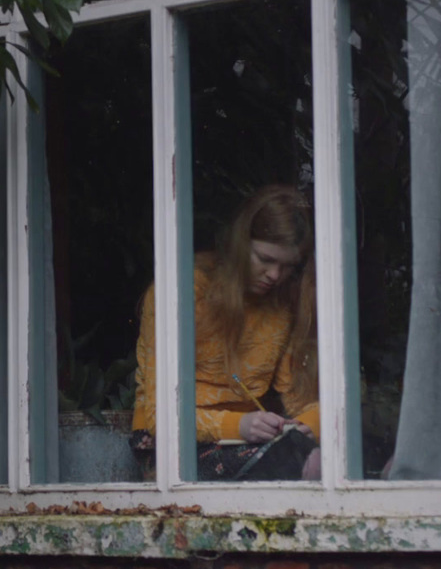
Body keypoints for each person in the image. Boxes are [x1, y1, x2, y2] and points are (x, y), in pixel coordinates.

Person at [130, 185, 321, 481]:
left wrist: (306, 424)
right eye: (265, 259)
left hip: (251, 438)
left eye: (287, 266)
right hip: (171, 440)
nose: (275, 275)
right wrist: (239, 426)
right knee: (297, 464)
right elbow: (159, 415)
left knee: (333, 457)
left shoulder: (283, 304)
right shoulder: (184, 290)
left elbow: (300, 399)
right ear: (239, 243)